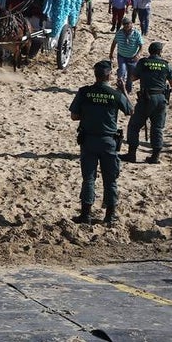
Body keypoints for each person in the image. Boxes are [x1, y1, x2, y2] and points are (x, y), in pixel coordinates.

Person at [69, 60, 132, 225]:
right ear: (109, 75)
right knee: (110, 179)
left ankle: (86, 214)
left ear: (95, 75)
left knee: (88, 178)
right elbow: (130, 110)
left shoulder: (84, 92)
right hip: (108, 142)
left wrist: (89, 115)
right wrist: (124, 90)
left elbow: (74, 116)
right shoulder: (115, 94)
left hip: (88, 140)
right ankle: (110, 216)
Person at [122, 42, 172, 164]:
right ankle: (155, 156)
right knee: (157, 128)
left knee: (134, 126)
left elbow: (133, 78)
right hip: (161, 99)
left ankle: (131, 153)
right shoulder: (166, 65)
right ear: (160, 52)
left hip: (146, 98)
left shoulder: (143, 63)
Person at [108, 18, 143, 94]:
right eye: (124, 24)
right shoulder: (119, 33)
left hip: (132, 58)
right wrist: (111, 53)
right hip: (122, 56)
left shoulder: (136, 33)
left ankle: (128, 90)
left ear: (131, 24)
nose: (126, 25)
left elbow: (141, 45)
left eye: (128, 24)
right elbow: (114, 43)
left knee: (131, 75)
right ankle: (120, 87)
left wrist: (138, 54)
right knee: (122, 71)